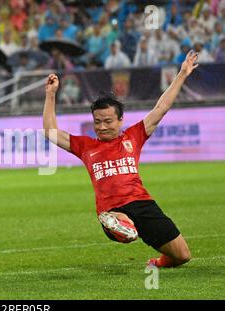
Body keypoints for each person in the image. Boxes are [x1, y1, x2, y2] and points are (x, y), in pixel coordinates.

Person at [42, 50, 199, 268]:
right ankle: (116, 224)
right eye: (97, 121)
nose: (102, 126)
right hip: (114, 210)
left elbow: (161, 108)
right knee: (124, 227)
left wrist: (182, 73)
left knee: (182, 256)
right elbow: (50, 131)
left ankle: (154, 261)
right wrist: (50, 95)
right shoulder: (86, 146)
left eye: (108, 121)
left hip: (143, 204)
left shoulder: (134, 135)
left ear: (120, 120)